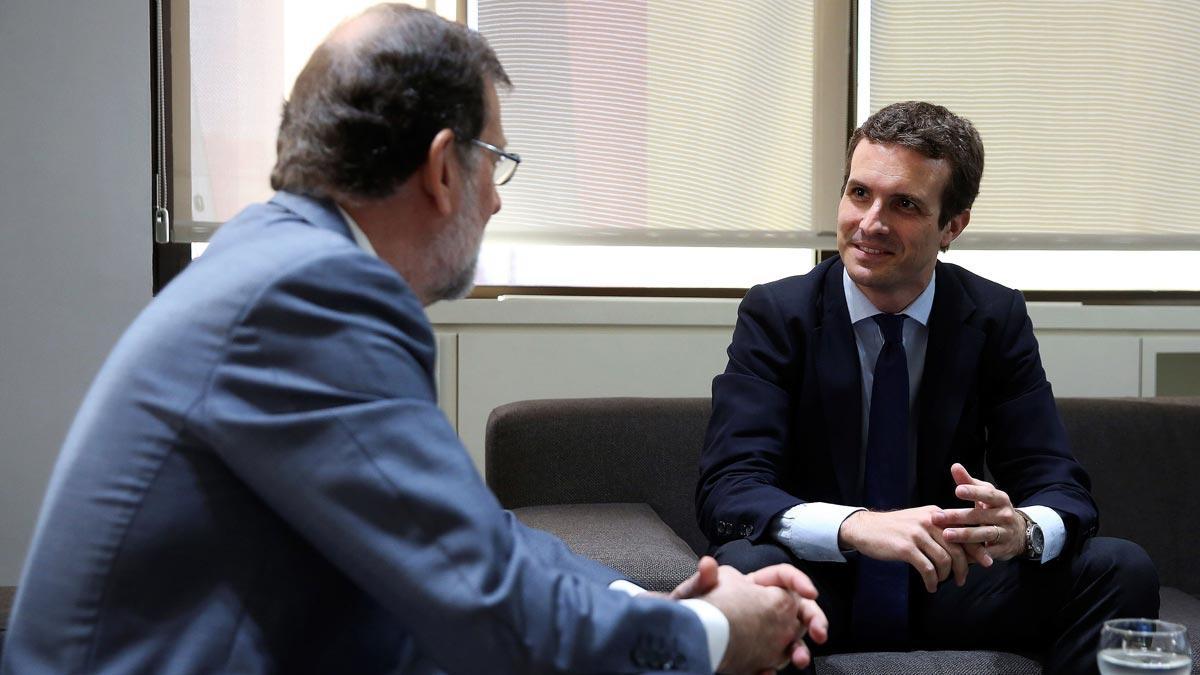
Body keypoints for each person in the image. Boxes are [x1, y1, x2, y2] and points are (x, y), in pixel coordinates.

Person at [1, 5, 827, 674]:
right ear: (441, 169)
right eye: (495, 163)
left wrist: (653, 604)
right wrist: (712, 638)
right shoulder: (313, 295)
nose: (497, 203)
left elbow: (471, 536)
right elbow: (485, 599)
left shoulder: (277, 260)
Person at [696, 101, 1158, 674]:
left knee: (1122, 566)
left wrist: (1020, 530)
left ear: (953, 226)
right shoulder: (778, 313)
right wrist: (857, 525)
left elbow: (1059, 484)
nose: (869, 223)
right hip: (820, 583)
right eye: (859, 193)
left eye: (905, 204)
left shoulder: (993, 316)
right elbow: (731, 487)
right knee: (746, 567)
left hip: (952, 581)